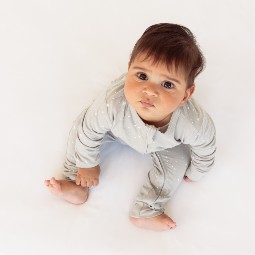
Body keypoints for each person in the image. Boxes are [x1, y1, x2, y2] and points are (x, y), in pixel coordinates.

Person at [45, 23, 216, 231]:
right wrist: (87, 164)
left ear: (186, 95)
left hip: (165, 144)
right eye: (142, 76)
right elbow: (88, 130)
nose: (149, 91)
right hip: (117, 130)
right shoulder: (113, 103)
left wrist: (197, 171)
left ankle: (146, 210)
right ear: (129, 70)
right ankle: (74, 182)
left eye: (168, 85)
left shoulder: (192, 123)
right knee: (80, 129)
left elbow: (206, 148)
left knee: (176, 166)